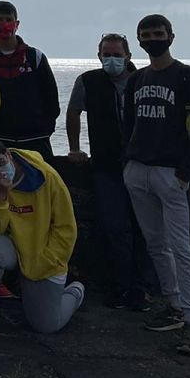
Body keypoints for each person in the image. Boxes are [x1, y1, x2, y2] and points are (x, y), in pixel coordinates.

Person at [123, 14, 190, 356]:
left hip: (171, 173)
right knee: (155, 243)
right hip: (138, 170)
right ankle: (174, 304)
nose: (152, 40)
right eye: (145, 35)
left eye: (157, 34)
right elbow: (128, 122)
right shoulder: (137, 80)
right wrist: (127, 162)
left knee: (182, 247)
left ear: (171, 36)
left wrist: (187, 171)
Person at [66, 34, 155, 310]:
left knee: (144, 228)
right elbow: (73, 113)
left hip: (141, 164)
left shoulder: (143, 80)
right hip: (106, 166)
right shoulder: (88, 81)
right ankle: (119, 287)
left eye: (117, 54)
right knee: (113, 226)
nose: (111, 59)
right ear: (99, 56)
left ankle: (141, 289)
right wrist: (74, 148)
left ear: (128, 56)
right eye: (106, 54)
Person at [0, 134, 83, 335]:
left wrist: (48, 260)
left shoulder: (46, 175)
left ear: (7, 154)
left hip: (43, 252)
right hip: (11, 246)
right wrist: (1, 195)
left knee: (46, 324)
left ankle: (75, 292)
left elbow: (66, 227)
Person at [0, 1, 59, 161]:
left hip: (36, 139)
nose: (4, 24)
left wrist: (45, 129)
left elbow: (51, 98)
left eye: (8, 19)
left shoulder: (35, 57)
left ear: (17, 24)